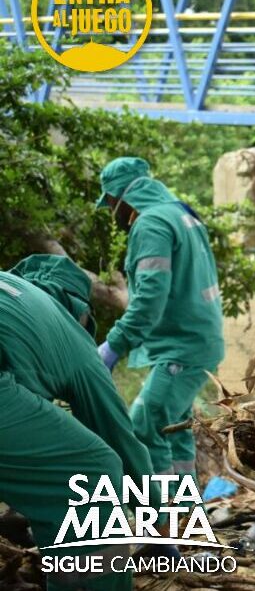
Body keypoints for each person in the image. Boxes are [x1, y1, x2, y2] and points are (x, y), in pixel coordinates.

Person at [1, 255, 154, 590]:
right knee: (92, 469)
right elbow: (119, 439)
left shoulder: (16, 294)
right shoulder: (69, 330)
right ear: (79, 308)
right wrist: (155, 515)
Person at [95, 157, 225, 480]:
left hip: (182, 347)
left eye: (111, 202)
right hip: (197, 341)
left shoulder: (151, 224)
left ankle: (162, 517)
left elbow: (149, 302)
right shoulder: (180, 214)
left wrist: (112, 346)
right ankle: (186, 516)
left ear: (122, 197)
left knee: (145, 424)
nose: (113, 213)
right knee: (174, 431)